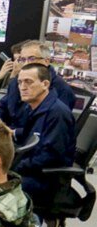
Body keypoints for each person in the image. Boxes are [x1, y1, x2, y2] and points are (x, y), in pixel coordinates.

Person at [5, 64, 75, 208]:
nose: (22, 87)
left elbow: (50, 157)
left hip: (45, 179)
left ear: (45, 84)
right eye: (20, 82)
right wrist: (13, 133)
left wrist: (11, 166)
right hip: (33, 169)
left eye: (28, 82)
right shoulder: (35, 105)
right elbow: (33, 134)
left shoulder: (57, 113)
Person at [0, 40, 77, 130]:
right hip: (8, 132)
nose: (26, 64)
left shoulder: (62, 89)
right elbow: (3, 106)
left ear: (47, 61)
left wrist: (13, 133)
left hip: (32, 138)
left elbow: (52, 126)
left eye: (31, 59)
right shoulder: (16, 81)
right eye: (22, 59)